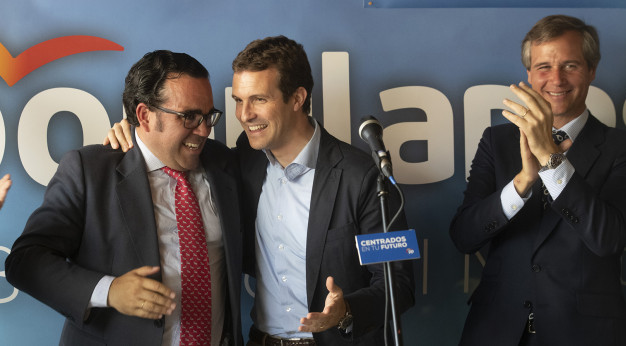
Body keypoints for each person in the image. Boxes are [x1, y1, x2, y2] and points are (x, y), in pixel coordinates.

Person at [106, 36, 415, 346]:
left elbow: (399, 284)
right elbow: (166, 143)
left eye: (259, 100)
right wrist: (132, 131)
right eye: (239, 101)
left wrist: (346, 311)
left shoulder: (362, 176)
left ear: (297, 98)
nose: (244, 114)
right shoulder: (240, 160)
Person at [5, 50, 243, 346]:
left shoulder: (224, 164)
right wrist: (109, 291)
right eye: (190, 117)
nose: (205, 130)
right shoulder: (89, 171)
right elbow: (24, 262)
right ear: (144, 115)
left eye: (208, 115)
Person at [450, 15, 626, 346]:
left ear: (592, 70)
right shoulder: (496, 141)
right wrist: (522, 182)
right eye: (543, 67)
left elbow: (607, 238)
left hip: (586, 336)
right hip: (497, 331)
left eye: (570, 66)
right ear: (528, 74)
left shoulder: (625, 148)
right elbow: (464, 237)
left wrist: (550, 160)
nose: (556, 79)